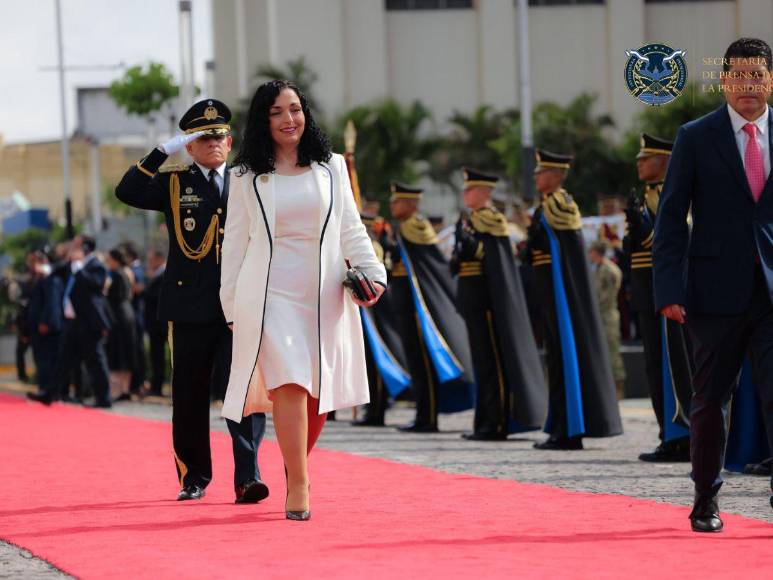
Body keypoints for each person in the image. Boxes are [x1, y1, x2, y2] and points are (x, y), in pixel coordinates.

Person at [220, 80, 386, 520]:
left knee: (317, 394)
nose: (289, 119)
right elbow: (233, 245)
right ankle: (300, 483)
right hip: (269, 293)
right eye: (277, 111)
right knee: (289, 382)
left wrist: (374, 273)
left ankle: (297, 464)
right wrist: (230, 303)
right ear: (263, 119)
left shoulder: (331, 166)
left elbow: (351, 227)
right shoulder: (243, 176)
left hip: (323, 292)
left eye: (294, 109)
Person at [115, 98, 268, 505]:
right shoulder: (174, 181)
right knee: (189, 396)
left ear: (230, 141)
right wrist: (161, 152)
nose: (214, 143)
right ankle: (193, 476)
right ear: (191, 145)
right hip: (188, 306)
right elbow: (126, 190)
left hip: (238, 304)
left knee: (244, 392)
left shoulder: (247, 181)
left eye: (220, 136)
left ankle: (248, 477)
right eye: (204, 138)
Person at [653, 37, 773, 533]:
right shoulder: (696, 137)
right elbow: (672, 219)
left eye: (758, 75)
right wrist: (669, 290)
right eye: (739, 75)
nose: (749, 85)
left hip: (771, 295)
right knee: (709, 404)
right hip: (711, 294)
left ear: (770, 80)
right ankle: (706, 497)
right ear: (724, 81)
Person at [524, 150, 622, 450]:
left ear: (556, 175)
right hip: (549, 293)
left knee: (565, 357)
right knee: (556, 358)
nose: (537, 176)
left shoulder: (560, 205)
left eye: (542, 172)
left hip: (561, 294)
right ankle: (560, 426)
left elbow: (561, 253)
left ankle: (569, 430)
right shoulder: (546, 206)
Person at [451, 168, 547, 440]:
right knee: (482, 364)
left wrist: (473, 248)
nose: (465, 194)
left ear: (485, 193)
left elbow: (493, 260)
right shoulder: (473, 220)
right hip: (474, 302)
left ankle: (496, 422)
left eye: (470, 190)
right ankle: (484, 421)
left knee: (493, 362)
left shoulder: (492, 220)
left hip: (489, 303)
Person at [383, 182, 475, 433]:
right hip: (404, 303)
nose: (393, 205)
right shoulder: (404, 228)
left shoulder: (414, 227)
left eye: (397, 201)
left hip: (416, 307)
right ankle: (423, 414)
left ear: (411, 204)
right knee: (416, 362)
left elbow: (424, 267)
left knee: (422, 362)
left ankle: (428, 416)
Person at [625, 133, 691, 463]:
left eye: (645, 158)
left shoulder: (668, 193)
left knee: (672, 363)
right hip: (643, 288)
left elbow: (678, 236)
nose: (639, 163)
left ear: (663, 162)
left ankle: (682, 433)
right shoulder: (648, 196)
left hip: (665, 287)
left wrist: (644, 230)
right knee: (654, 365)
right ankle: (668, 433)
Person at [28, 236, 113, 408]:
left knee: (95, 361)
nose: (72, 247)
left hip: (88, 322)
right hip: (71, 322)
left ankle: (104, 399)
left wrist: (79, 267)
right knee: (63, 360)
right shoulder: (70, 265)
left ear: (86, 248)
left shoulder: (96, 266)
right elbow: (55, 269)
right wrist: (45, 267)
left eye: (76, 245)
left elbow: (96, 284)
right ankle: (50, 394)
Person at [353, 212, 411, 427]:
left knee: (375, 362)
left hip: (375, 313)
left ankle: (376, 411)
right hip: (373, 311)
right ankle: (373, 410)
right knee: (370, 363)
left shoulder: (372, 248)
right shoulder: (375, 246)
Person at [588, 240, 626, 399]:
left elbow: (607, 297)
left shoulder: (610, 270)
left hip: (607, 316)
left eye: (590, 252)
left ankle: (618, 389)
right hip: (598, 316)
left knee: (612, 353)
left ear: (597, 252)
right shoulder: (596, 270)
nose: (589, 255)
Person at [26, 251, 64, 400]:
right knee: (42, 359)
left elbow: (52, 304)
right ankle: (45, 389)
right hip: (38, 326)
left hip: (47, 327)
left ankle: (48, 390)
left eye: (35, 262)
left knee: (47, 359)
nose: (32, 265)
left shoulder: (52, 279)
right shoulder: (39, 279)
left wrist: (46, 322)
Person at [104, 248, 137, 401]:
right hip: (128, 313)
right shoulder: (127, 272)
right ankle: (125, 388)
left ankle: (116, 390)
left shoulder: (117, 274)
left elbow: (111, 298)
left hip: (118, 315)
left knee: (117, 352)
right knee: (127, 351)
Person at [144, 248, 168, 397]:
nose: (149, 263)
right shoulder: (155, 275)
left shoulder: (164, 274)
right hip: (155, 324)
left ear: (159, 259)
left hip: (161, 324)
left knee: (159, 357)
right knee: (156, 356)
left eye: (151, 259)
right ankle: (156, 385)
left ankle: (158, 385)